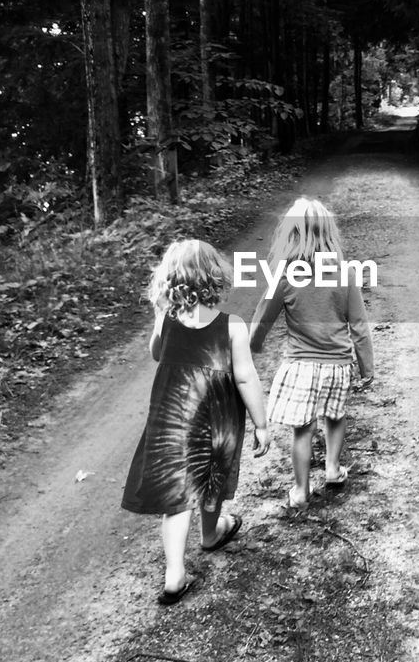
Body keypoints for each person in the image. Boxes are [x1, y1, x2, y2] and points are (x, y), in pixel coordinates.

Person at [121, 239, 270, 605]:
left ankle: (175, 574)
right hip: (216, 417)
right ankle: (211, 533)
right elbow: (246, 378)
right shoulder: (231, 326)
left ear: (169, 280)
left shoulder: (167, 319)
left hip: (172, 417)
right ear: (213, 278)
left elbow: (157, 354)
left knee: (177, 496)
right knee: (211, 476)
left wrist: (162, 319)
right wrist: (261, 423)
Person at [249, 198, 375, 510]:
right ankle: (332, 468)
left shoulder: (286, 275)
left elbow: (263, 315)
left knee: (302, 429)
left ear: (291, 235)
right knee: (335, 416)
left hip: (301, 364)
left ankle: (301, 489)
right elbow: (358, 324)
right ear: (329, 234)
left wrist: (253, 344)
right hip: (338, 364)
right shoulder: (345, 273)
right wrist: (366, 366)